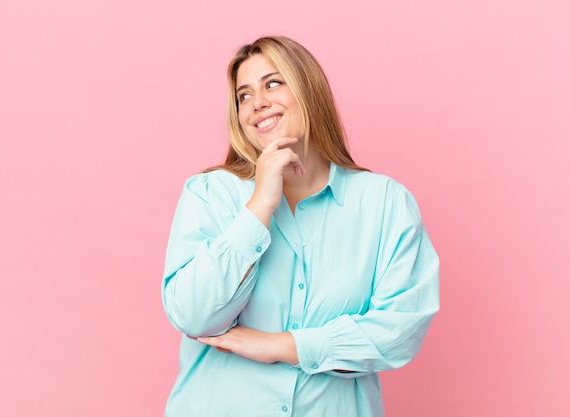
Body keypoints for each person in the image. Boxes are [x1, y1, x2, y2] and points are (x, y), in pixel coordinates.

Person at [161, 36, 439, 417]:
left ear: (309, 91)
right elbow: (193, 315)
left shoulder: (384, 203)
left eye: (272, 83)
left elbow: (400, 330)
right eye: (244, 95)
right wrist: (259, 207)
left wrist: (284, 345)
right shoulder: (211, 193)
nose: (257, 102)